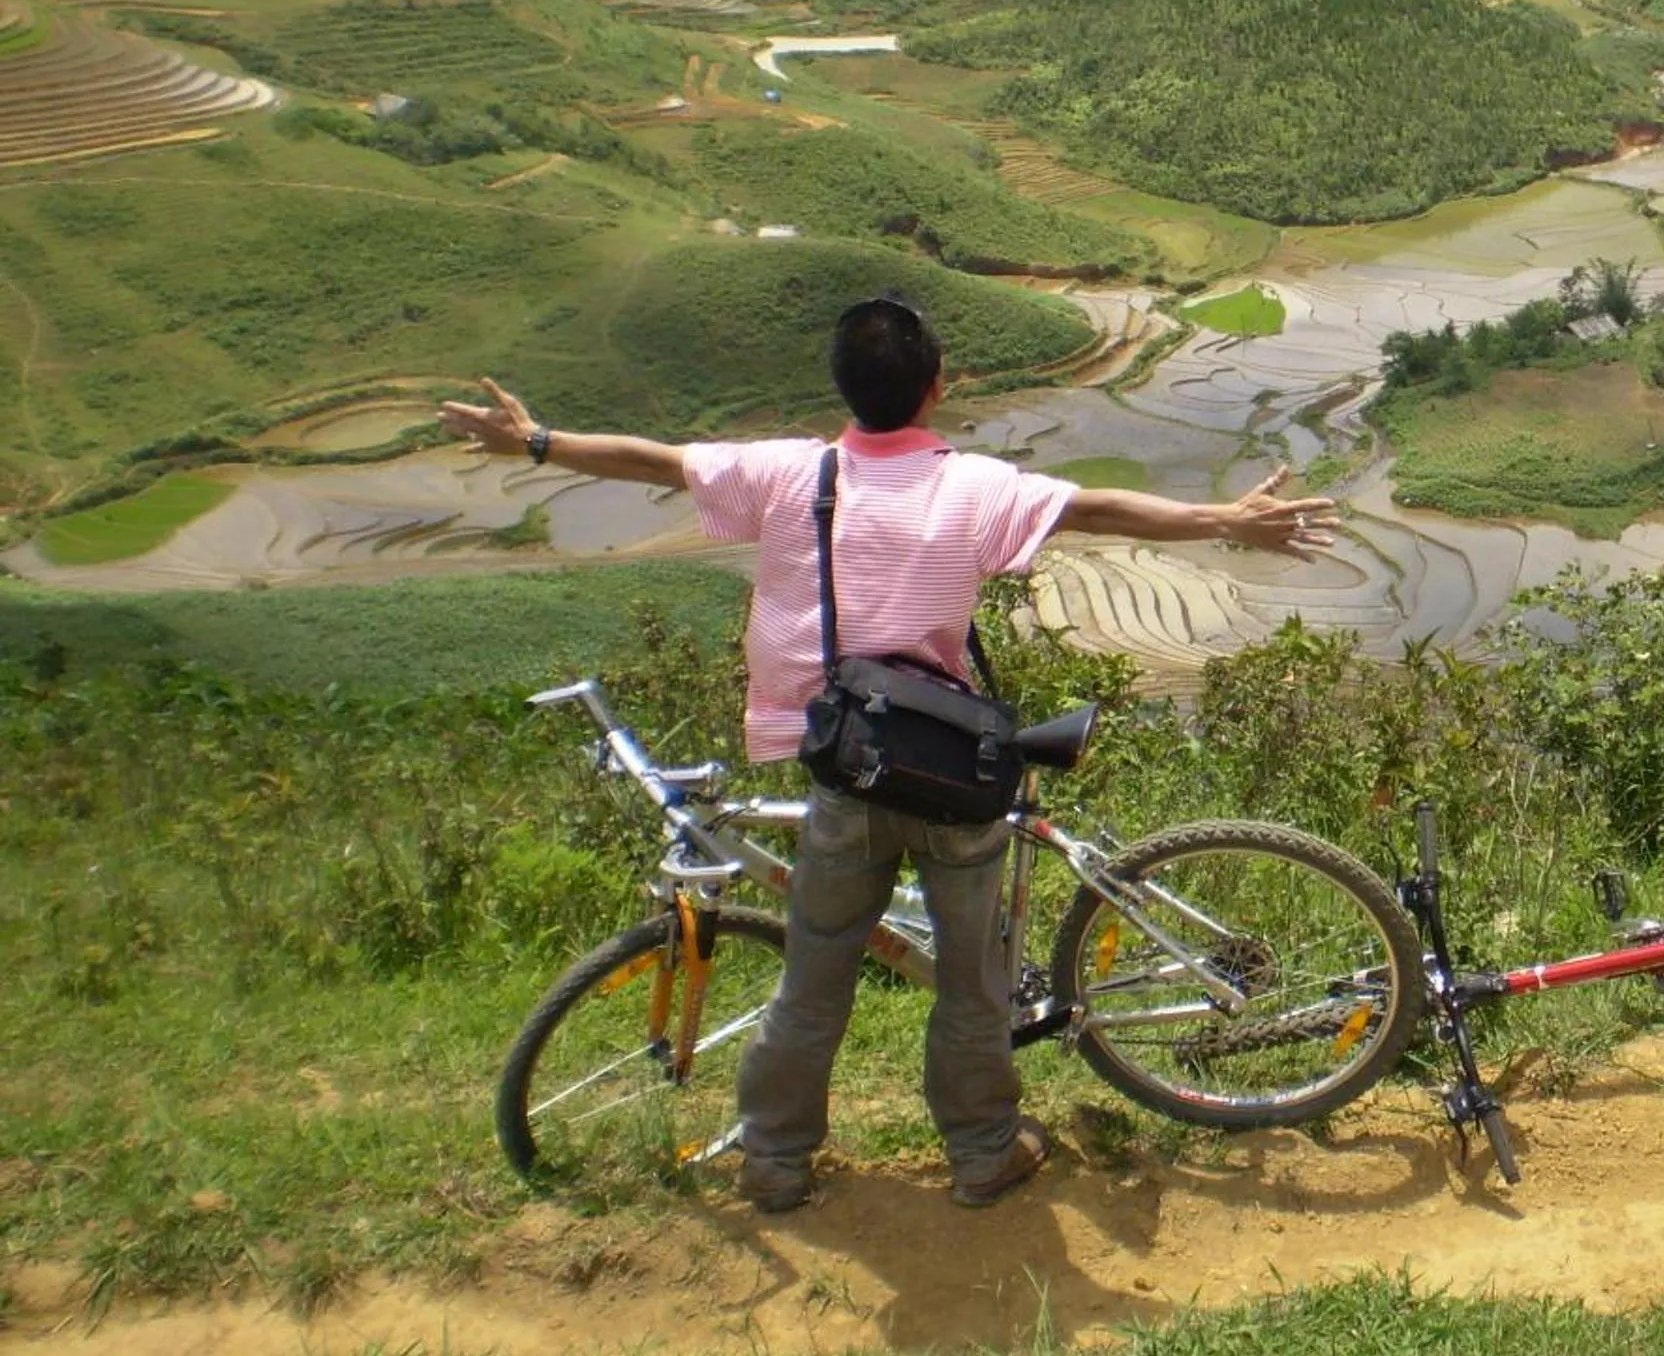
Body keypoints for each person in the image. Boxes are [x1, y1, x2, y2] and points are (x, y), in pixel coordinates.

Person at [441, 294, 1339, 1214]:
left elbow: (656, 461)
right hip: (955, 772)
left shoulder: (791, 473)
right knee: (973, 978)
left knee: (815, 972)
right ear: (936, 387)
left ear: (840, 386)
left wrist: (537, 442)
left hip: (848, 766)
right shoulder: (977, 485)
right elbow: (1102, 509)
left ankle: (777, 1161)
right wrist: (1227, 519)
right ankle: (983, 1151)